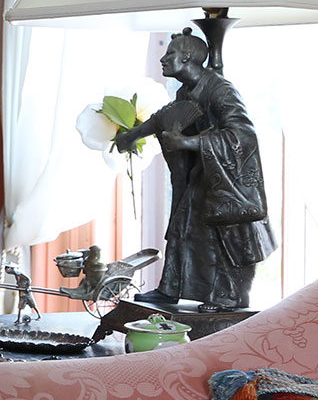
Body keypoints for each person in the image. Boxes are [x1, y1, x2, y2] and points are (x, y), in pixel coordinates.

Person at [114, 28, 276, 312]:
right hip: (201, 174)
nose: (163, 60)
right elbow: (164, 118)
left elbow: (243, 135)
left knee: (220, 239)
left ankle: (226, 297)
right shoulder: (187, 90)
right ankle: (170, 288)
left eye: (170, 54)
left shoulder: (220, 90)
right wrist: (133, 135)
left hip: (224, 180)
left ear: (187, 57)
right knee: (182, 228)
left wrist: (188, 142)